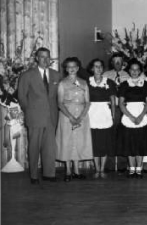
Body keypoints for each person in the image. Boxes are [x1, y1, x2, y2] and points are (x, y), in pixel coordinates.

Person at [18, 47, 60, 184]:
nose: (45, 59)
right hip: (35, 117)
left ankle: (49, 173)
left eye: (48, 57)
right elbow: (22, 97)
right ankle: (34, 175)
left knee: (49, 147)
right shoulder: (27, 75)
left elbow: (58, 97)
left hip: (51, 117)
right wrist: (30, 111)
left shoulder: (56, 75)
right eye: (42, 57)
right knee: (34, 147)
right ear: (37, 58)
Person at [56, 57, 93, 182]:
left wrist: (81, 117)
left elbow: (88, 102)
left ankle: (77, 171)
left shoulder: (83, 82)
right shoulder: (62, 83)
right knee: (67, 141)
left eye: (74, 66)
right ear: (66, 69)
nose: (71, 69)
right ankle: (68, 171)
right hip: (67, 115)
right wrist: (71, 117)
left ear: (78, 68)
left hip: (81, 115)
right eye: (69, 66)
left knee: (78, 141)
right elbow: (60, 103)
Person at [117, 58, 147, 179]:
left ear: (140, 71)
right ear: (129, 71)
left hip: (142, 115)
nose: (134, 72)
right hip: (128, 116)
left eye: (137, 70)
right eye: (132, 70)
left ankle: (139, 168)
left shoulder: (145, 84)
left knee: (140, 143)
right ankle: (132, 169)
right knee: (130, 143)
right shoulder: (124, 84)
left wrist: (142, 115)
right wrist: (131, 117)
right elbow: (121, 103)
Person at [87, 59, 117, 179]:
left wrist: (113, 115)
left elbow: (113, 101)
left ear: (103, 68)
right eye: (96, 66)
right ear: (92, 69)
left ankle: (102, 168)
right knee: (94, 141)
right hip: (92, 112)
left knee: (104, 141)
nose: (98, 68)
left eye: (100, 66)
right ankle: (96, 168)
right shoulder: (87, 82)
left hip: (105, 112)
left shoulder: (109, 82)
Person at [103, 53, 130, 173]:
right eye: (115, 61)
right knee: (110, 135)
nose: (118, 64)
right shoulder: (106, 75)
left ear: (123, 62)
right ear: (112, 63)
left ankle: (122, 164)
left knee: (123, 136)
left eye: (120, 61)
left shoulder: (128, 75)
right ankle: (109, 164)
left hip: (124, 108)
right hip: (111, 108)